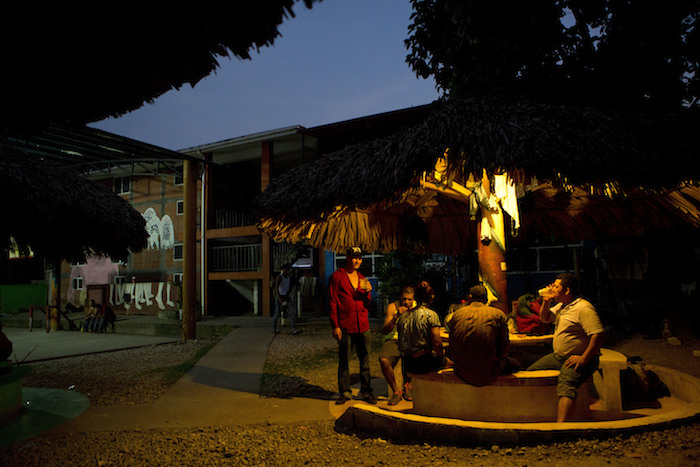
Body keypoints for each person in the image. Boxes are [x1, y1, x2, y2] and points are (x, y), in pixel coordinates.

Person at [526, 273, 605, 422]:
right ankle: (539, 414)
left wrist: (583, 358)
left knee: (566, 384)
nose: (552, 288)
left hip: (578, 358)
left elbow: (598, 334)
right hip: (559, 357)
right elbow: (545, 318)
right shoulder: (563, 306)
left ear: (567, 291)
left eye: (556, 287)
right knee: (530, 373)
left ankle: (561, 428)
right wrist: (546, 301)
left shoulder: (583, 308)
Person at [328, 246, 376, 405]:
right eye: (354, 257)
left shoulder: (362, 278)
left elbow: (367, 303)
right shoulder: (337, 277)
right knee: (344, 360)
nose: (357, 260)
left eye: (359, 258)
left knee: (365, 360)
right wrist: (335, 325)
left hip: (363, 324)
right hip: (345, 325)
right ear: (347, 258)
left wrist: (368, 291)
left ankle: (366, 391)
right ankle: (345, 392)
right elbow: (333, 302)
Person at [446, 284, 519, 386]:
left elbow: (452, 346)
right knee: (516, 364)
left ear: (469, 297)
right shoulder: (498, 315)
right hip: (489, 372)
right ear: (486, 299)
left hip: (461, 371)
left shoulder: (457, 315)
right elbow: (504, 348)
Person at [396, 281, 446, 402]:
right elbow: (437, 343)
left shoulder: (403, 317)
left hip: (408, 363)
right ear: (431, 297)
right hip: (423, 362)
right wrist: (443, 355)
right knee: (453, 362)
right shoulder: (431, 315)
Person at [379, 285, 416, 405]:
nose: (407, 302)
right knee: (384, 359)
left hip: (411, 341)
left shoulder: (418, 307)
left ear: (414, 299)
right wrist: (396, 316)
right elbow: (385, 330)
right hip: (394, 339)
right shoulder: (393, 307)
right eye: (404, 299)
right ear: (400, 298)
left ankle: (408, 386)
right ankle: (396, 391)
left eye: (410, 299)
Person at [271, 264, 301, 335]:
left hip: (286, 296)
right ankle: (273, 329)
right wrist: (279, 298)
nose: (287, 271)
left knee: (291, 312)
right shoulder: (280, 277)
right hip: (280, 296)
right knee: (277, 313)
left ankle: (294, 329)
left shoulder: (288, 278)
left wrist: (288, 294)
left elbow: (289, 287)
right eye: (286, 270)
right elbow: (276, 288)